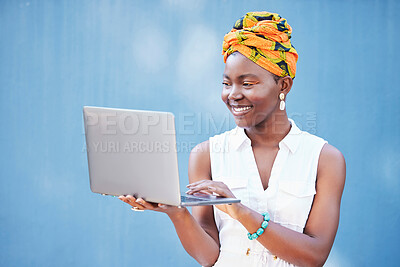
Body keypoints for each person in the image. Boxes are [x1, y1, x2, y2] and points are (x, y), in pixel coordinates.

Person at [119, 11, 346, 267]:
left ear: (283, 86)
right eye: (227, 84)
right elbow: (209, 256)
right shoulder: (206, 155)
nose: (233, 95)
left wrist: (240, 212)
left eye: (247, 84)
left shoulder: (325, 159)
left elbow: (314, 257)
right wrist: (176, 211)